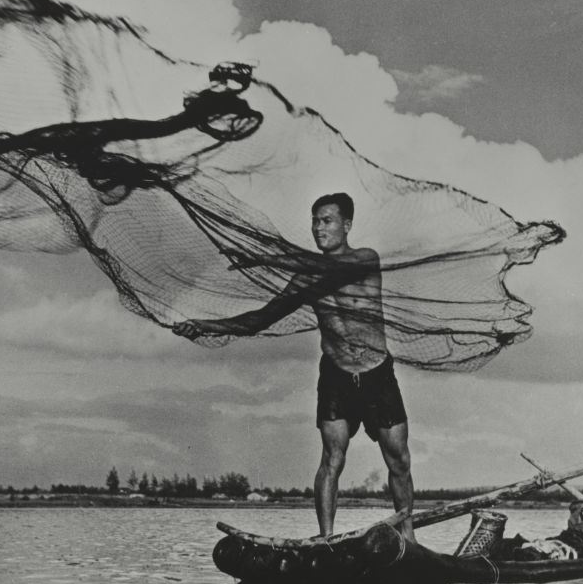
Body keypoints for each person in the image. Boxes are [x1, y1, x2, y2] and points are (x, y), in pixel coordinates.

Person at [173, 193, 414, 541]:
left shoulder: (364, 259)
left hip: (377, 373)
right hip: (336, 375)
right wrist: (209, 325)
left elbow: (331, 269)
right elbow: (262, 318)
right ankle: (326, 539)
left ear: (346, 225)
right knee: (332, 459)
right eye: (315, 221)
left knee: (399, 462)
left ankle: (408, 539)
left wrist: (266, 257)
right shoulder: (305, 277)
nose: (319, 228)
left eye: (327, 220)